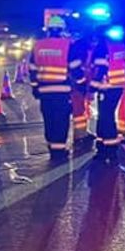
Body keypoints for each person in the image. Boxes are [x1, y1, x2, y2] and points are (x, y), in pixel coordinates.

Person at [27, 15, 84, 161]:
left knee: (49, 119)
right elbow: (75, 67)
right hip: (62, 91)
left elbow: (32, 69)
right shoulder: (67, 45)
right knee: (61, 120)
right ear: (62, 29)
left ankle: (52, 148)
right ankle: (59, 150)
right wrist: (81, 83)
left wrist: (35, 88)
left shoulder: (38, 45)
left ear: (48, 29)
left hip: (44, 91)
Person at [87, 25, 125, 160]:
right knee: (104, 116)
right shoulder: (118, 45)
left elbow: (100, 70)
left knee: (107, 117)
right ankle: (101, 145)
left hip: (107, 87)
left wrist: (92, 89)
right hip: (118, 86)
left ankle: (110, 149)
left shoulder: (102, 47)